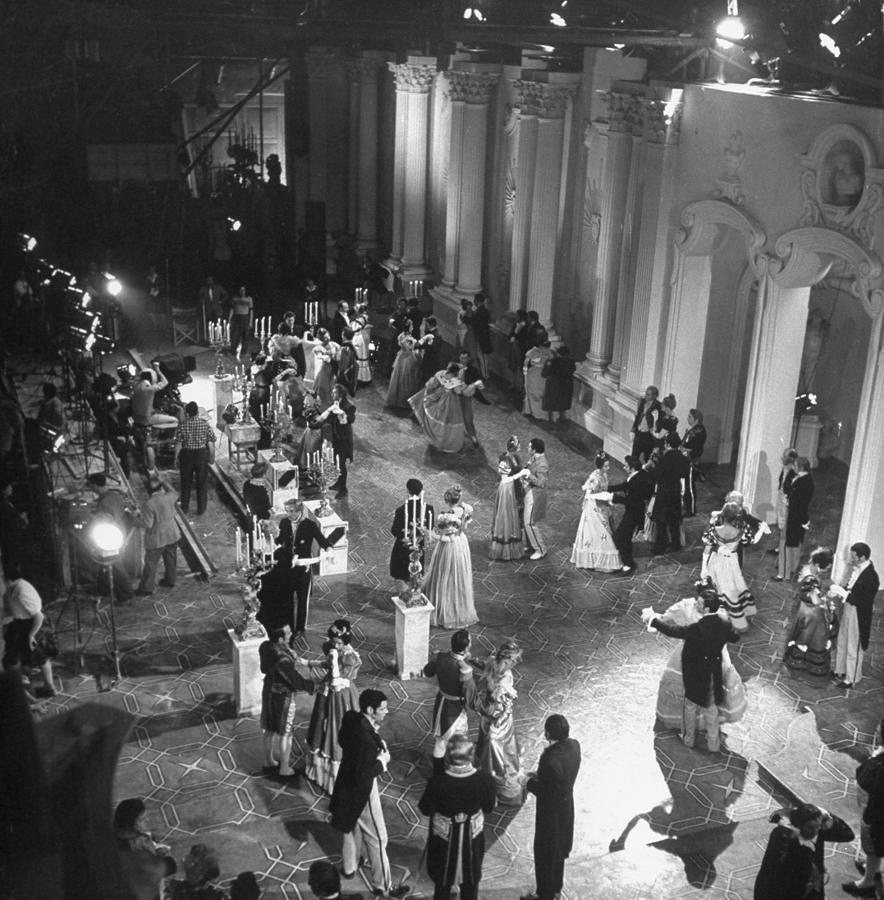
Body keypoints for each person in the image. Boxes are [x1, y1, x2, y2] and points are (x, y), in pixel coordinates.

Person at [328, 690, 410, 898]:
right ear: (370, 710)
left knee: (351, 826)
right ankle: (384, 886)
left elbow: (345, 742)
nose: (387, 711)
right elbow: (364, 774)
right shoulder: (365, 740)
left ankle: (351, 865)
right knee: (378, 837)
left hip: (344, 784)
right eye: (382, 708)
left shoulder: (351, 718)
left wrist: (377, 743)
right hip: (361, 792)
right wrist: (382, 761)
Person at [643, 588, 740, 752]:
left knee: (690, 707)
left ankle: (688, 739)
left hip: (696, 673)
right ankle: (714, 744)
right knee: (711, 709)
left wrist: (653, 620)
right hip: (714, 672)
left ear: (708, 609)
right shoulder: (724, 623)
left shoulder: (699, 628)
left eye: (700, 603)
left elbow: (674, 631)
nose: (696, 604)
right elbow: (735, 637)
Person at [418, 734, 496, 900]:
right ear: (471, 755)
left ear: (448, 756)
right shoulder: (485, 779)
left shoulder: (438, 781)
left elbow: (425, 808)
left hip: (443, 839)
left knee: (442, 885)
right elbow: (489, 808)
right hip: (472, 837)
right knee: (470, 885)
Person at [521, 714, 581, 900]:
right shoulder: (574, 746)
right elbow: (559, 776)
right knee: (560, 850)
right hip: (566, 808)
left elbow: (545, 791)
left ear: (547, 733)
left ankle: (543, 895)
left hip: (550, 814)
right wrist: (539, 775)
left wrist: (525, 781)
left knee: (545, 853)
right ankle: (556, 889)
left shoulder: (549, 759)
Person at [305, 620, 362, 793]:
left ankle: (338, 774)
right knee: (320, 723)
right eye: (334, 642)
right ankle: (319, 770)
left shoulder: (350, 658)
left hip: (341, 695)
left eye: (339, 643)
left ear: (346, 642)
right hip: (327, 691)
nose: (336, 645)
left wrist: (335, 659)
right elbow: (327, 666)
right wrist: (308, 663)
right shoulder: (331, 650)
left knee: (337, 727)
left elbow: (337, 683)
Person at [754, 803, 853, 900]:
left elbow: (848, 835)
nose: (815, 831)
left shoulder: (816, 834)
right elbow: (774, 873)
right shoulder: (782, 836)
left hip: (811, 891)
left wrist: (828, 817)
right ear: (798, 825)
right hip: (783, 893)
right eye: (809, 827)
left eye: (818, 827)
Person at [276, 498, 346, 635]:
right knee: (287, 597)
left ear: (299, 511)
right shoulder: (284, 523)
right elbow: (280, 541)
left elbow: (323, 541)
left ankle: (300, 628)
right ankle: (289, 624)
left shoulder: (310, 525)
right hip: (288, 567)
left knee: (303, 599)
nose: (288, 514)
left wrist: (328, 550)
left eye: (291, 511)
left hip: (304, 568)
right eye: (287, 511)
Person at [260, 625, 315, 776]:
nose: (291, 634)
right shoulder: (282, 658)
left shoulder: (265, 646)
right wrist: (313, 685)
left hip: (268, 690)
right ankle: (284, 768)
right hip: (282, 696)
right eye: (288, 633)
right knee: (286, 731)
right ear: (280, 638)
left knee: (269, 728)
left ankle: (268, 760)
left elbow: (264, 669)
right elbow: (295, 681)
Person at [475, 640, 524, 805]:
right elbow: (485, 666)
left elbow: (501, 708)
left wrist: (481, 708)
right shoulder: (495, 664)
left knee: (496, 744)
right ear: (504, 659)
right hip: (493, 713)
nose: (515, 663)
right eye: (513, 660)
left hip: (499, 717)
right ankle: (486, 771)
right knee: (487, 742)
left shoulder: (505, 681)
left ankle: (498, 777)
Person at [424, 485, 477, 630]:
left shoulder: (449, 515)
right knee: (458, 575)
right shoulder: (464, 509)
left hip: (451, 546)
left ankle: (447, 610)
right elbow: (463, 527)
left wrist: (430, 534)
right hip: (462, 543)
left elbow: (447, 538)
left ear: (447, 500)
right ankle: (458, 606)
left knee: (446, 575)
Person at [700, 502, 758, 631]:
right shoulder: (742, 530)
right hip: (732, 562)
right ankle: (732, 620)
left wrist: (703, 569)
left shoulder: (714, 529)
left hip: (716, 561)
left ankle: (715, 619)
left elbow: (707, 550)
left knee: (717, 589)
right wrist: (762, 530)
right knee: (731, 590)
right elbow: (751, 541)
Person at [2, 566, 58, 699]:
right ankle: (30, 686)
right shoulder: (13, 587)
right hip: (22, 624)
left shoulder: (22, 589)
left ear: (8, 579)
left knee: (41, 656)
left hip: (33, 626)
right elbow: (14, 609)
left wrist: (31, 635)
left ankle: (50, 688)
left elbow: (39, 616)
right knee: (28, 656)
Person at [831, 541, 880, 688]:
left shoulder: (871, 577)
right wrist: (840, 591)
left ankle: (851, 678)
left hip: (858, 614)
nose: (852, 560)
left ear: (862, 557)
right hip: (848, 608)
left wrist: (844, 594)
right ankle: (839, 670)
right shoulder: (857, 569)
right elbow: (850, 586)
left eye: (854, 557)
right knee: (843, 639)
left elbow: (864, 601)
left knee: (854, 645)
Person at [424, 630, 478, 760]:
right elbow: (471, 697)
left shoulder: (440, 657)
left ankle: (438, 772)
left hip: (441, 701)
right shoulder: (464, 670)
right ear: (466, 647)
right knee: (459, 741)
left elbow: (428, 672)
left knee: (440, 740)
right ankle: (457, 770)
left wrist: (433, 660)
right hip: (455, 708)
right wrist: (484, 710)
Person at [409, 362, 482, 454]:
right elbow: (460, 392)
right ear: (456, 372)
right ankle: (446, 443)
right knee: (449, 422)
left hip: (440, 398)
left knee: (439, 419)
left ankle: (436, 438)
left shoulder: (441, 373)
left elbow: (430, 384)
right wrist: (473, 384)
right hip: (451, 403)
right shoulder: (455, 382)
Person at [88, 472, 135, 603]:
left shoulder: (105, 502)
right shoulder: (114, 495)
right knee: (105, 562)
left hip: (111, 536)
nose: (90, 488)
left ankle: (126, 594)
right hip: (118, 531)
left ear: (96, 485)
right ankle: (103, 589)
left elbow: (107, 519)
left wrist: (93, 516)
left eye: (91, 485)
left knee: (115, 564)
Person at [845, 738, 884, 897]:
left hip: (875, 815)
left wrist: (869, 818)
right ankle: (873, 869)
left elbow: (878, 794)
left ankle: (869, 881)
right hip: (875, 812)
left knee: (874, 846)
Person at [571, 451, 622, 572]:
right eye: (606, 466)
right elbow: (589, 495)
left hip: (603, 507)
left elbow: (605, 489)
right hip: (594, 509)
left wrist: (608, 500)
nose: (608, 468)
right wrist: (603, 496)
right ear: (600, 465)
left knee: (606, 530)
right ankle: (597, 561)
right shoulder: (594, 477)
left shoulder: (604, 475)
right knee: (599, 532)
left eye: (608, 465)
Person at [605, 455, 655, 575]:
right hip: (633, 511)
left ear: (632, 468)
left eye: (626, 466)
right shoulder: (636, 475)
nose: (624, 467)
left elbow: (631, 500)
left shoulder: (637, 480)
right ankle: (626, 561)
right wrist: (607, 488)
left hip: (634, 513)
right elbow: (625, 486)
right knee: (624, 537)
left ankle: (629, 564)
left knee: (619, 537)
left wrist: (614, 497)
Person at [784, 573, 835, 676]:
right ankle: (812, 670)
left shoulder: (803, 604)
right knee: (814, 646)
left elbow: (797, 624)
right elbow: (818, 603)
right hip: (817, 632)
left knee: (803, 643)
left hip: (807, 630)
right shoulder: (817, 605)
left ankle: (798, 667)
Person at [136, 477, 180, 596]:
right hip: (172, 534)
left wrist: (135, 520)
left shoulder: (149, 504)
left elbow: (147, 524)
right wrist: (164, 481)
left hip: (157, 538)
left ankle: (146, 588)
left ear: (148, 490)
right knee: (171, 559)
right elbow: (175, 492)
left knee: (151, 563)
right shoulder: (169, 497)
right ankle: (170, 580)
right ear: (161, 487)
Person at [389, 479, 434, 591]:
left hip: (402, 549)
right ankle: (414, 595)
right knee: (416, 573)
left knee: (401, 574)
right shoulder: (429, 509)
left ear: (407, 491)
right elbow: (429, 528)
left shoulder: (401, 510)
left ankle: (405, 597)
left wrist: (407, 535)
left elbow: (395, 531)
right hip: (419, 548)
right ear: (421, 492)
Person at [650, 432, 690, 554]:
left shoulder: (664, 459)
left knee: (661, 521)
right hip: (676, 491)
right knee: (674, 519)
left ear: (667, 444)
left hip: (664, 492)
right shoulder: (683, 459)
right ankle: (676, 543)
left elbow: (656, 476)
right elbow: (685, 474)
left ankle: (659, 547)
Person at [776, 455, 814, 581]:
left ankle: (784, 574)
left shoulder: (805, 482)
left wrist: (804, 520)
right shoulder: (803, 479)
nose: (794, 467)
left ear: (801, 467)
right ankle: (790, 570)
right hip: (796, 516)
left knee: (787, 544)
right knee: (793, 544)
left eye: (796, 466)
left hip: (794, 517)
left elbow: (800, 502)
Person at [175, 401, 215, 517]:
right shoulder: (204, 424)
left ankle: (185, 507)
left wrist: (175, 458)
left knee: (185, 483)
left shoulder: (183, 425)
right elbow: (212, 438)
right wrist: (211, 457)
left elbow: (178, 444)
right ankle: (201, 509)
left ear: (187, 413)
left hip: (186, 456)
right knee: (202, 483)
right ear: (197, 412)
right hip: (201, 456)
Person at [314, 384, 355, 499]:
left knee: (341, 463)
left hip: (344, 439)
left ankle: (343, 489)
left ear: (340, 394)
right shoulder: (335, 404)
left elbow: (350, 420)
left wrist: (342, 414)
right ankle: (338, 483)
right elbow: (329, 418)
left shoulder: (349, 406)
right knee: (336, 462)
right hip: (336, 437)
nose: (332, 394)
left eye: (334, 392)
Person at [489, 452, 528, 561]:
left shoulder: (511, 460)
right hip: (506, 489)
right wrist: (520, 474)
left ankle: (508, 541)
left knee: (509, 514)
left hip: (508, 488)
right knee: (505, 514)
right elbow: (505, 479)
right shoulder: (505, 461)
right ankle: (505, 542)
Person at [385, 321, 425, 409]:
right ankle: (401, 401)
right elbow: (408, 347)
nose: (413, 328)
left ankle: (405, 400)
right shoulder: (404, 336)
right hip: (405, 359)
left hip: (407, 357)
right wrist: (418, 343)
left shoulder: (409, 336)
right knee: (404, 378)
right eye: (411, 326)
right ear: (408, 327)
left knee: (407, 379)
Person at [522, 438, 549, 560]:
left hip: (535, 495)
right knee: (526, 521)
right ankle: (531, 545)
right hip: (529, 492)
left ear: (534, 450)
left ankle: (541, 549)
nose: (527, 449)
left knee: (529, 522)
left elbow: (541, 483)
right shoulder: (534, 458)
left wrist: (529, 475)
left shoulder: (542, 464)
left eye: (529, 447)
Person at [456, 350, 488, 447]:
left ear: (468, 359)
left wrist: (476, 384)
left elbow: (481, 379)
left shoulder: (472, 370)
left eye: (465, 358)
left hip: (466, 397)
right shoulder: (455, 367)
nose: (463, 360)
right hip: (454, 396)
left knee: (468, 417)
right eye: (461, 358)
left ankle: (473, 437)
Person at [774, 448, 799, 573]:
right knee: (780, 521)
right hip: (781, 496)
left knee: (784, 524)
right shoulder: (785, 468)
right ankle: (780, 548)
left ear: (791, 458)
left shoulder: (794, 471)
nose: (783, 458)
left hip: (786, 500)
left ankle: (784, 554)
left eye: (785, 456)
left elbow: (792, 487)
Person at [681, 408, 707, 516]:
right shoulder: (694, 430)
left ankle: (691, 510)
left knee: (689, 487)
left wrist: (685, 449)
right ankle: (686, 506)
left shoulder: (698, 431)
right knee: (685, 486)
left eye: (690, 417)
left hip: (691, 462)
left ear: (696, 420)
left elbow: (697, 449)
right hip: (686, 460)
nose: (688, 419)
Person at [541, 345, 576, 423]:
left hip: (553, 385)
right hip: (566, 385)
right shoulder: (571, 362)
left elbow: (544, 374)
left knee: (551, 400)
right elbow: (572, 371)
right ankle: (561, 417)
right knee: (563, 401)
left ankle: (550, 418)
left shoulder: (552, 362)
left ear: (558, 353)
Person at [522, 335, 553, 419]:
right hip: (539, 374)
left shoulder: (541, 351)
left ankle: (536, 413)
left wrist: (525, 370)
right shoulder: (538, 351)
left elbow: (526, 362)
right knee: (536, 392)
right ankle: (535, 412)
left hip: (539, 374)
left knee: (536, 393)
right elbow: (526, 361)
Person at [630, 385, 661, 463]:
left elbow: (657, 421)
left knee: (647, 456)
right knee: (634, 455)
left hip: (648, 435)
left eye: (648, 394)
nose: (645, 395)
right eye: (646, 393)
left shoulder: (658, 406)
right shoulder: (642, 401)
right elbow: (638, 415)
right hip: (639, 432)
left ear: (654, 396)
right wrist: (633, 429)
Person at [228, 286, 254, 358]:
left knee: (245, 336)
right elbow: (232, 309)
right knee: (235, 336)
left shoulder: (249, 299)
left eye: (243, 290)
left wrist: (251, 322)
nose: (242, 291)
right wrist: (229, 319)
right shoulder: (235, 298)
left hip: (245, 318)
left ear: (245, 291)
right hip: (236, 318)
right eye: (240, 290)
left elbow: (251, 311)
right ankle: (233, 351)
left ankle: (244, 352)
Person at [472, 293, 492, 379]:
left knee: (483, 357)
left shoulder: (480, 311)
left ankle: (485, 375)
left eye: (474, 300)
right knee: (483, 357)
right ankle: (485, 374)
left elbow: (477, 323)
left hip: (482, 337)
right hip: (484, 336)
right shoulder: (484, 310)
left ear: (477, 301)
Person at [336, 327, 359, 398]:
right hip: (351, 373)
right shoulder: (352, 346)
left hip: (346, 376)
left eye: (342, 334)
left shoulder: (345, 349)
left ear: (344, 336)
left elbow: (343, 366)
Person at [420, 316, 443, 382]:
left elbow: (431, 347)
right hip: (431, 359)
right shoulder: (435, 333)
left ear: (430, 325)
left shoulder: (435, 335)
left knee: (427, 377)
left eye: (427, 325)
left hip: (431, 360)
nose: (426, 326)